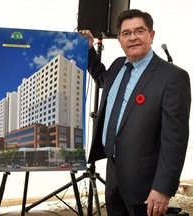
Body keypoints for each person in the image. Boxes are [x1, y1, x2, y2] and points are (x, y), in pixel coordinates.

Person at [80, 9, 191, 216]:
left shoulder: (173, 77)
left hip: (146, 183)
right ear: (120, 39)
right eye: (126, 33)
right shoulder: (117, 67)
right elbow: (101, 77)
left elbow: (175, 139)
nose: (133, 37)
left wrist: (163, 188)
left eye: (139, 31)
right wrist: (88, 50)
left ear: (152, 35)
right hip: (113, 172)